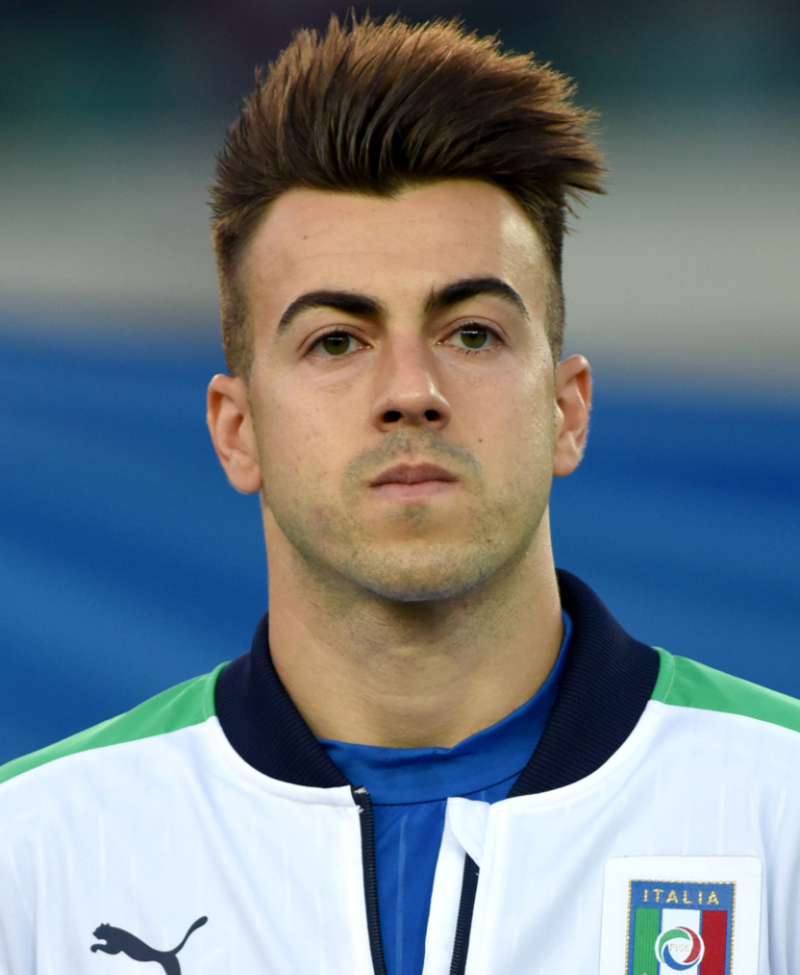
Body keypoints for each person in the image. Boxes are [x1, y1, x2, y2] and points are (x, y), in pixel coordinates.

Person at [1, 14, 798, 975]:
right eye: (337, 341)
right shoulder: (35, 857)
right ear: (236, 428)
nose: (411, 391)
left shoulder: (777, 808)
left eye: (471, 333)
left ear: (567, 408)